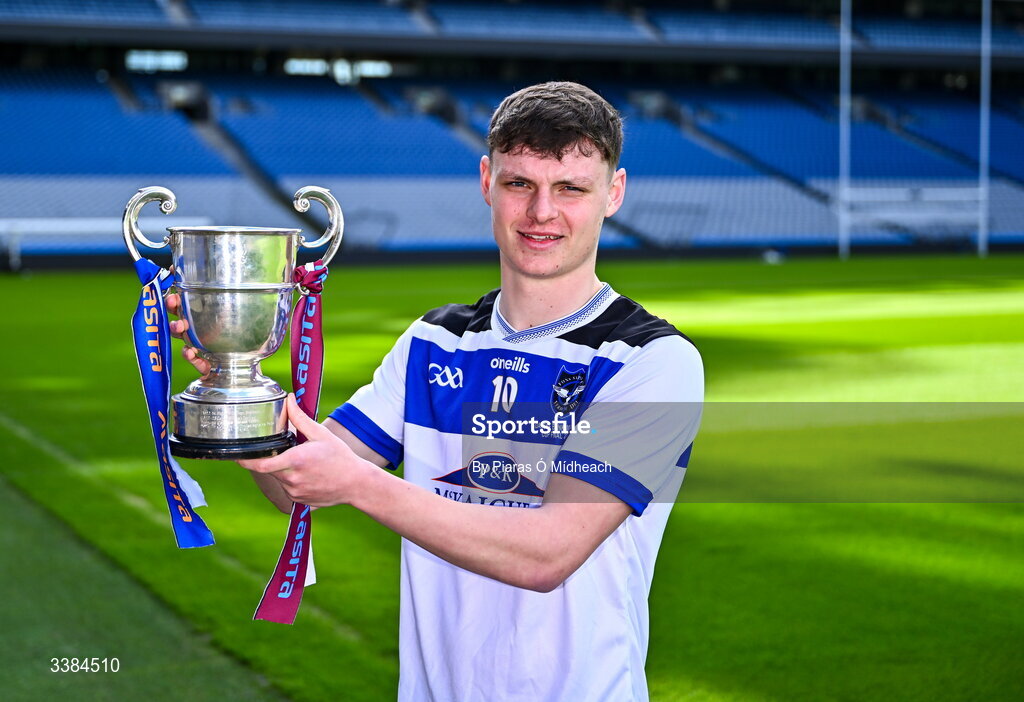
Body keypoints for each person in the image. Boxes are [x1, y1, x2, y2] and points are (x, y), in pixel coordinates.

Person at [170, 81, 703, 701]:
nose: (541, 213)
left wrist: (359, 483)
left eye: (571, 189)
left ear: (613, 193)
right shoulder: (434, 341)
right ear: (486, 181)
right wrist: (238, 385)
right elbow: (293, 489)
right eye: (519, 184)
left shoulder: (653, 361)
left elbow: (546, 555)